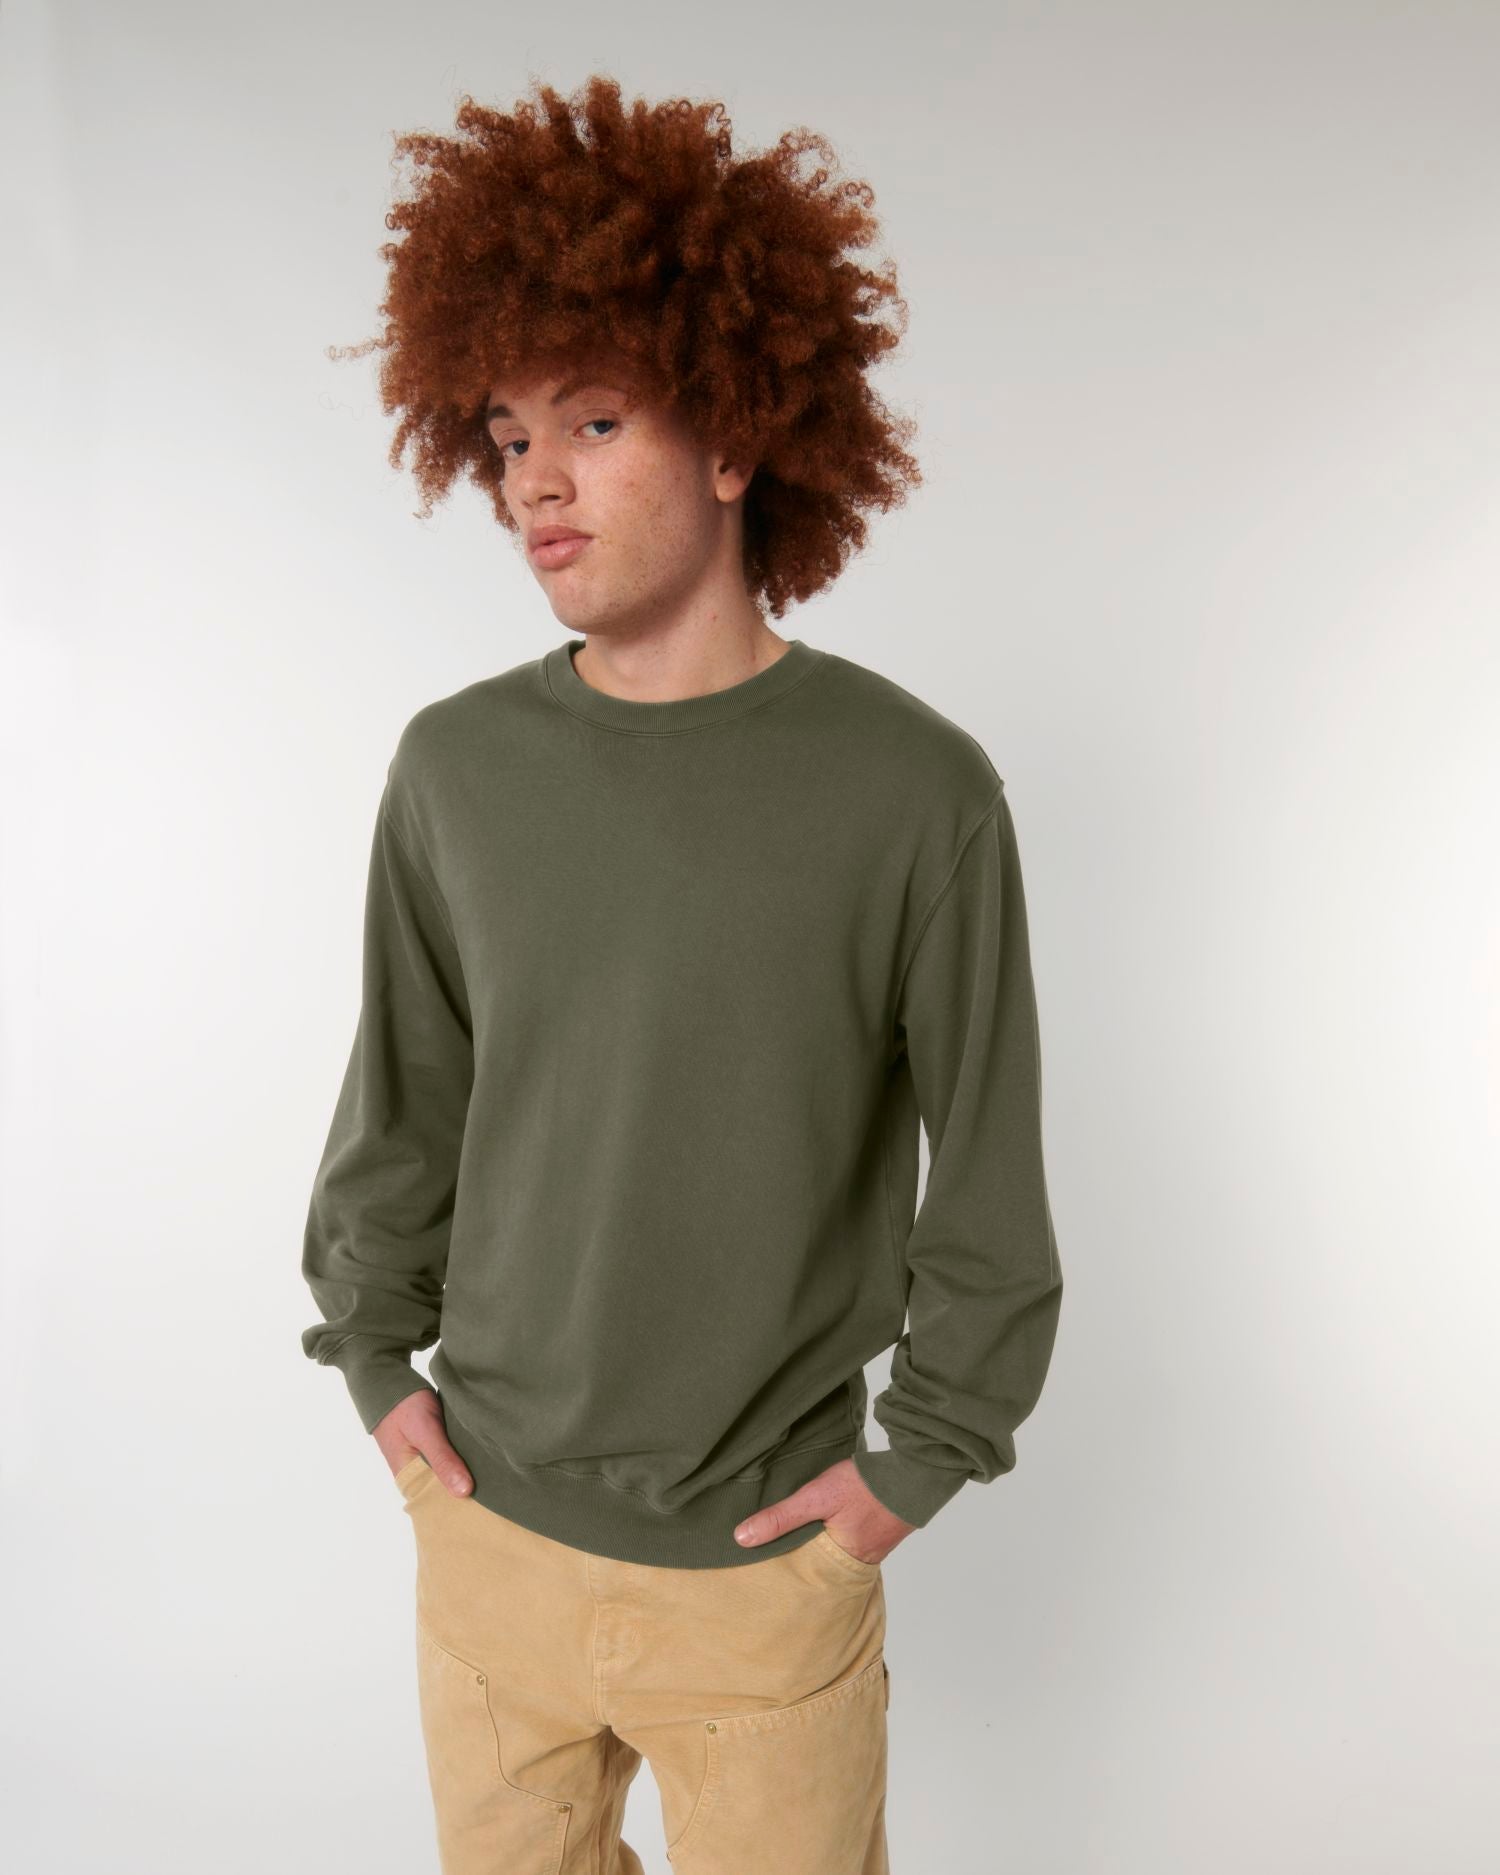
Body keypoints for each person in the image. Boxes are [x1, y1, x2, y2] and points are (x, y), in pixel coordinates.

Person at [300, 74, 1064, 1875]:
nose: (536, 482)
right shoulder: (454, 769)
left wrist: (911, 1471)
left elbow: (989, 1176)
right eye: (507, 436)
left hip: (764, 1575)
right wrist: (378, 1369)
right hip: (485, 1538)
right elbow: (403, 1108)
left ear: (733, 437)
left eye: (593, 420)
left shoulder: (917, 793)